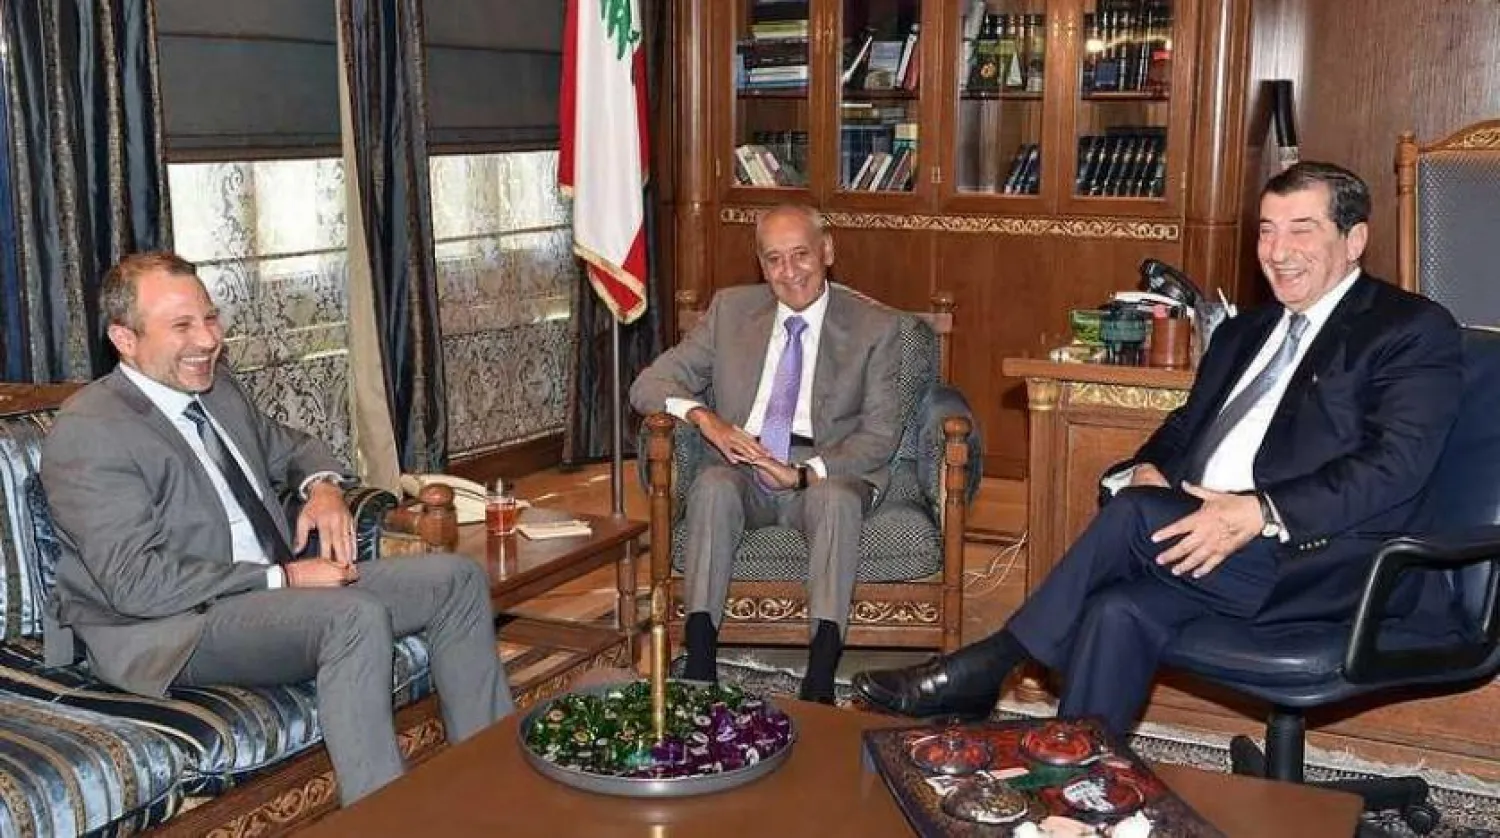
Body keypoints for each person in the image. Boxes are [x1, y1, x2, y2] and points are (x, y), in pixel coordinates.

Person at [854, 162, 1465, 734]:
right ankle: (1081, 785)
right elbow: (1182, 428)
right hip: (1207, 538)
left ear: (1354, 240)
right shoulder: (1242, 330)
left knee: (1132, 518)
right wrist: (1143, 469)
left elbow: (1395, 467)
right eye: (1266, 231)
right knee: (1118, 608)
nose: (1277, 252)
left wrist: (1259, 510)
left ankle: (994, 662)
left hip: (1324, 559)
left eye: (1301, 230)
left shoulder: (1409, 328)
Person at [41, 252, 513, 805]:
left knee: (455, 579)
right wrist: (281, 578)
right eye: (182, 326)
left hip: (268, 594)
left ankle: (494, 790)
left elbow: (293, 448)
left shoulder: (216, 390)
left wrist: (324, 487)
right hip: (173, 627)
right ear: (124, 338)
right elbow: (136, 583)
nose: (207, 340)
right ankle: (386, 818)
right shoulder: (90, 430)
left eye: (210, 319)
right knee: (353, 618)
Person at [630, 204, 904, 703]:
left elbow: (880, 434)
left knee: (836, 502)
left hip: (823, 470)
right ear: (761, 265)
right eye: (774, 259)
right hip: (744, 462)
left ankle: (819, 678)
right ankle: (699, 666)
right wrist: (707, 421)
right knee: (711, 487)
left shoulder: (876, 327)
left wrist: (802, 474)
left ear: (827, 251)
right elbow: (650, 382)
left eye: (801, 255)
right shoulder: (731, 311)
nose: (789, 271)